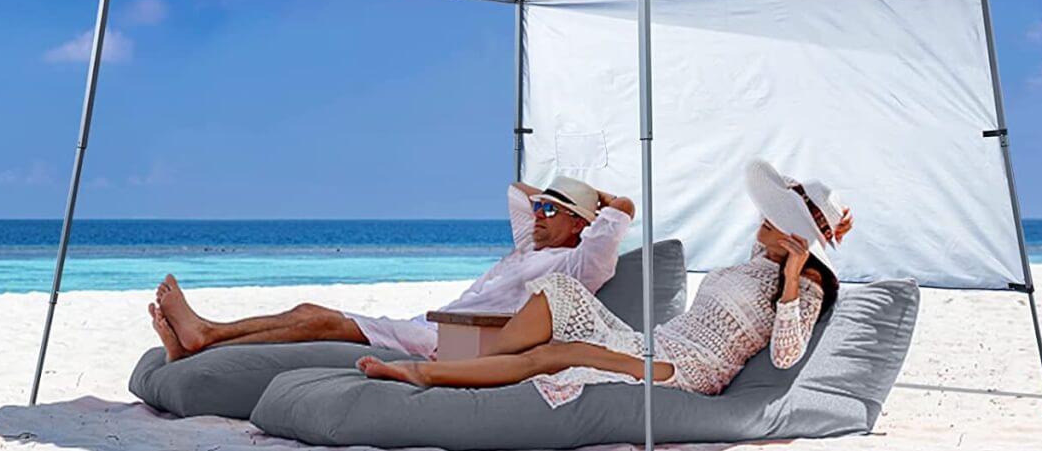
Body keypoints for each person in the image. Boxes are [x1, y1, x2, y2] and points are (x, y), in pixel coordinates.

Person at [356, 159, 853, 408]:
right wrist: (821, 231)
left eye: (778, 216)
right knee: (559, 290)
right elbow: (759, 270)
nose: (763, 218)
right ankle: (466, 362)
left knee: (557, 355)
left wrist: (794, 275)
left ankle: (428, 376)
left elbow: (787, 354)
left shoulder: (802, 286)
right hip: (657, 346)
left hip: (689, 369)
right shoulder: (756, 260)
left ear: (796, 238)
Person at [148, 176, 635, 362]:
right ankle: (205, 337)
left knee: (322, 319)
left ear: (579, 224)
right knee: (310, 309)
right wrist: (558, 200)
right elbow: (516, 190)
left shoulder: (577, 263)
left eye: (550, 211)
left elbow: (621, 213)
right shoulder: (534, 250)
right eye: (541, 209)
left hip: (462, 343)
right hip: (436, 326)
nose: (537, 214)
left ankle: (205, 337)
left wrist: (602, 202)